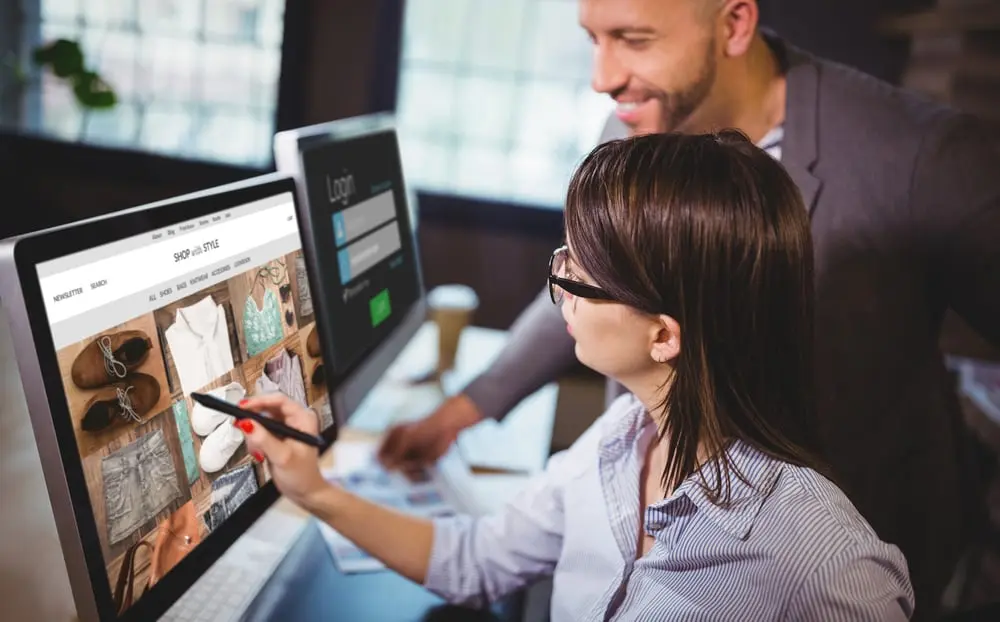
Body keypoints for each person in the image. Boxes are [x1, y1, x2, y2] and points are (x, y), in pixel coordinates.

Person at [377, 0, 1000, 617]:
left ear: (734, 25)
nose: (603, 77)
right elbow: (595, 279)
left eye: (633, 38)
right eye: (593, 38)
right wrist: (464, 409)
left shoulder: (920, 154)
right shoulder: (638, 116)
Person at [238, 132, 914, 621]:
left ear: (663, 335)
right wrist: (315, 489)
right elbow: (476, 563)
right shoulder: (619, 441)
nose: (558, 285)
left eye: (580, 277)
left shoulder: (830, 569)